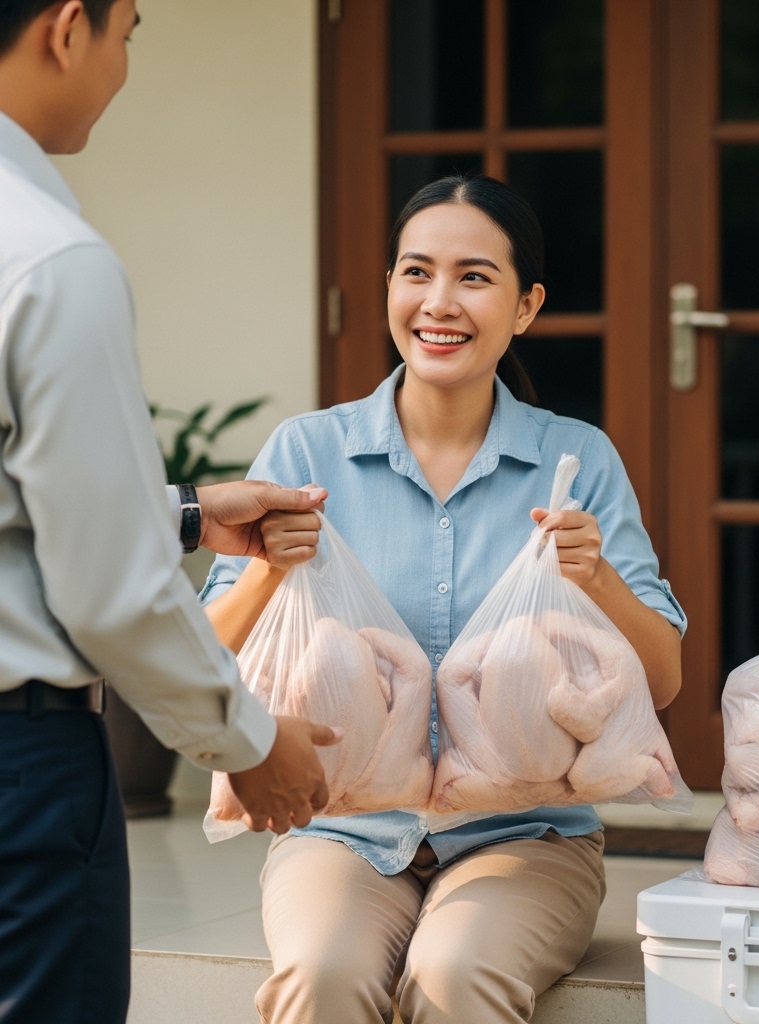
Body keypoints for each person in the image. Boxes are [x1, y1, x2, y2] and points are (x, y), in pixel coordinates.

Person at [203, 174, 686, 1023]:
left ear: (526, 305)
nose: (439, 302)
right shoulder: (309, 448)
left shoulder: (576, 462)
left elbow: (664, 683)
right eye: (415, 272)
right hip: (340, 828)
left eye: (474, 277)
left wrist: (594, 577)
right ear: (389, 286)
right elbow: (206, 654)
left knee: (455, 973)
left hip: (529, 837)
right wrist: (268, 569)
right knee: (321, 975)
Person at [0, 3, 339, 1022]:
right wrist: (249, 743)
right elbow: (112, 596)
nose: (122, 65)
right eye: (127, 33)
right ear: (68, 28)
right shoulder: (51, 261)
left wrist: (187, 511)